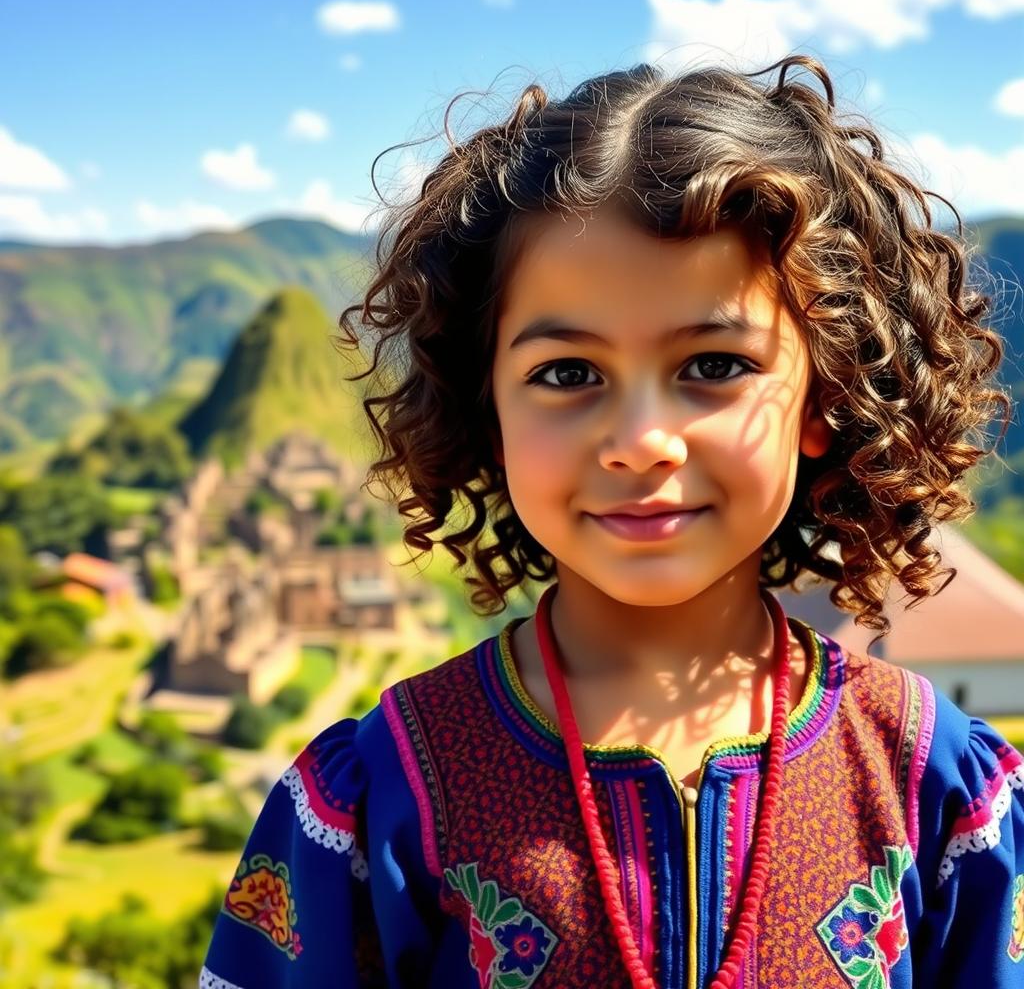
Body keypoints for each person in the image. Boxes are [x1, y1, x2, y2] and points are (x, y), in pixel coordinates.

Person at [199, 53, 1024, 988]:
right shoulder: (376, 805)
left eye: (714, 365)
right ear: (488, 409)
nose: (641, 442)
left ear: (825, 397)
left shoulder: (937, 794)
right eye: (566, 374)